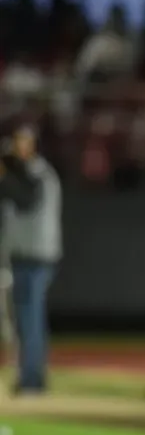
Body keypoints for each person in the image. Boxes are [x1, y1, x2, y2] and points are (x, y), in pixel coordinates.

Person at [1, 125, 61, 396]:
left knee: (30, 316)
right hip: (25, 253)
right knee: (26, 317)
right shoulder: (24, 173)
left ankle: (32, 379)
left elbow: (24, 199)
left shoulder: (39, 173)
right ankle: (31, 376)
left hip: (37, 254)